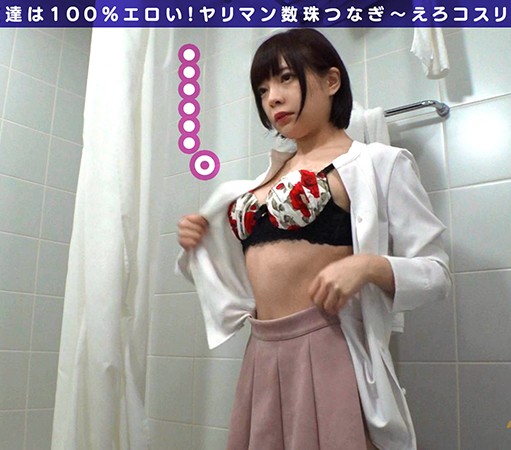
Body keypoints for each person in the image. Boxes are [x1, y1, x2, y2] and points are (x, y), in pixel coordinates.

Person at [176, 28, 451, 450]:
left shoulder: (380, 163)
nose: (272, 98)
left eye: (286, 78)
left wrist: (369, 266)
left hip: (330, 347)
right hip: (261, 353)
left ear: (331, 80)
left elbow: (437, 273)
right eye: (262, 89)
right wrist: (199, 242)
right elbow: (237, 279)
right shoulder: (257, 184)